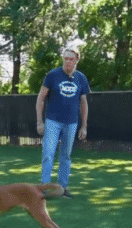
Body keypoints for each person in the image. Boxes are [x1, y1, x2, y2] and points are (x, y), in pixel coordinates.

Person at [36, 45, 89, 199]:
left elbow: (84, 103)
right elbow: (41, 98)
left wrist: (84, 126)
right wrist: (40, 122)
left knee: (65, 156)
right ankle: (44, 189)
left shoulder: (81, 78)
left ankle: (63, 188)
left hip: (71, 123)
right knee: (48, 153)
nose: (67, 62)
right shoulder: (52, 75)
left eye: (71, 59)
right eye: (65, 59)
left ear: (76, 60)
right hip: (52, 122)